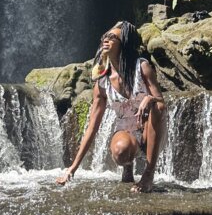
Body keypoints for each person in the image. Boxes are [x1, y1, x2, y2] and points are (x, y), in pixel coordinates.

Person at [56, 21, 166, 193]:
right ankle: (127, 167)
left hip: (150, 128)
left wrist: (150, 99)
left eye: (113, 37)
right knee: (120, 150)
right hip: (127, 130)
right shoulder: (102, 81)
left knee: (155, 108)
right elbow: (92, 126)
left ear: (124, 44)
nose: (106, 41)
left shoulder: (142, 67)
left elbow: (161, 104)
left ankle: (148, 175)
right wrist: (72, 168)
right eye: (104, 38)